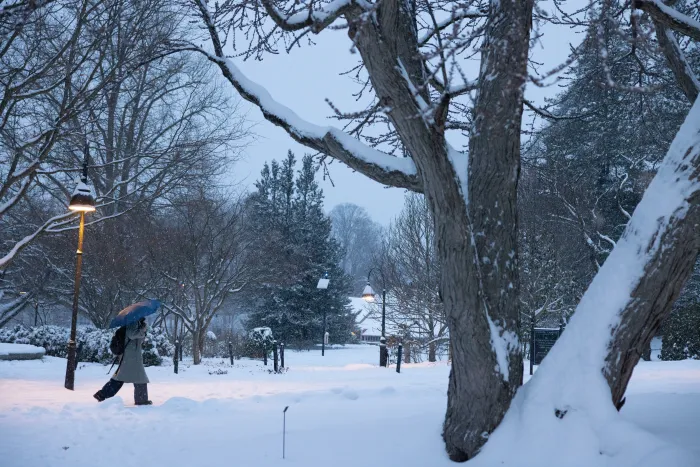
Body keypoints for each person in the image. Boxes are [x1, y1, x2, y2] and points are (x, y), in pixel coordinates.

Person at [93, 317, 152, 405]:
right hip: (131, 357)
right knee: (139, 378)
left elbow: (137, 339)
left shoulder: (136, 322)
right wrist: (143, 330)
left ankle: (102, 394)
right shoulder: (133, 322)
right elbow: (132, 335)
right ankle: (141, 400)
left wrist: (142, 329)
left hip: (131, 356)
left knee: (121, 378)